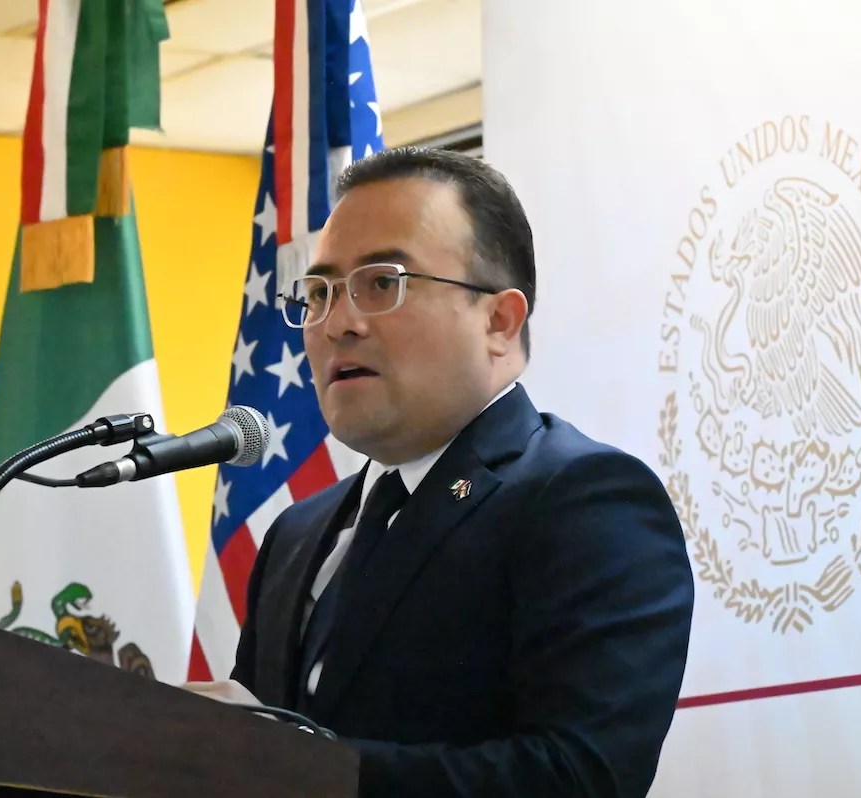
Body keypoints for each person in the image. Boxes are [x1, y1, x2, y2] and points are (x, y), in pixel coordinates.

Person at [230, 146, 694, 797]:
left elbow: (580, 777)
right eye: (320, 292)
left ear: (500, 321)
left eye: (382, 283)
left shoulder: (584, 503)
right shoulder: (296, 533)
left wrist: (301, 769)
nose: (338, 323)